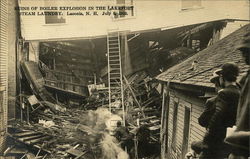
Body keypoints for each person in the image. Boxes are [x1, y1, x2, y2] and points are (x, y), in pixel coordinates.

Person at [201, 62, 241, 158]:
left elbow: (216, 118)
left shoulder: (224, 94)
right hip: (235, 143)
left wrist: (206, 143)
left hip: (219, 143)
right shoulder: (241, 93)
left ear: (222, 77)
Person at [224, 32, 250, 159]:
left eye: (247, 51)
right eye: (243, 51)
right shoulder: (246, 78)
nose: (244, 55)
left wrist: (239, 138)